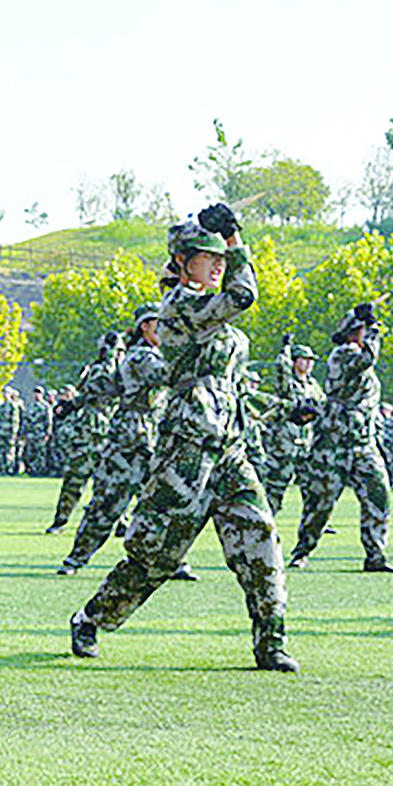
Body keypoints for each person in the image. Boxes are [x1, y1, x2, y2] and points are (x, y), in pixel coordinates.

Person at [69, 208, 296, 671]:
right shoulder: (179, 306)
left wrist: (274, 410)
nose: (218, 264)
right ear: (182, 260)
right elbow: (243, 294)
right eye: (209, 256)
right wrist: (235, 241)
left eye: (221, 257)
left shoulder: (212, 313)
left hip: (228, 448)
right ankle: (91, 618)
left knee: (261, 538)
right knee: (157, 555)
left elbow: (231, 382)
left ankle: (271, 643)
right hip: (186, 451)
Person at [57, 303, 195, 580]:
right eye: (160, 323)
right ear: (145, 326)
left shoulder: (155, 354)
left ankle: (171, 561)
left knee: (164, 503)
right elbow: (165, 375)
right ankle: (76, 558)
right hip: (128, 442)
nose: (166, 328)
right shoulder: (141, 356)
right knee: (108, 505)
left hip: (152, 440)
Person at [286, 301, 393, 573]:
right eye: (361, 330)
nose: (365, 334)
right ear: (352, 333)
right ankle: (302, 551)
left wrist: (370, 327)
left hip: (362, 442)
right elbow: (368, 358)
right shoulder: (343, 354)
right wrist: (373, 328)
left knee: (378, 494)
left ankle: (375, 555)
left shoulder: (358, 356)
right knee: (321, 503)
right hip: (334, 444)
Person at [46, 331, 123, 533]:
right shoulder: (107, 369)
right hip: (91, 433)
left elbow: (99, 390)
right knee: (79, 479)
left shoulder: (119, 371)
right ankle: (61, 521)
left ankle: (119, 522)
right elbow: (90, 394)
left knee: (109, 482)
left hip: (105, 433)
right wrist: (70, 405)